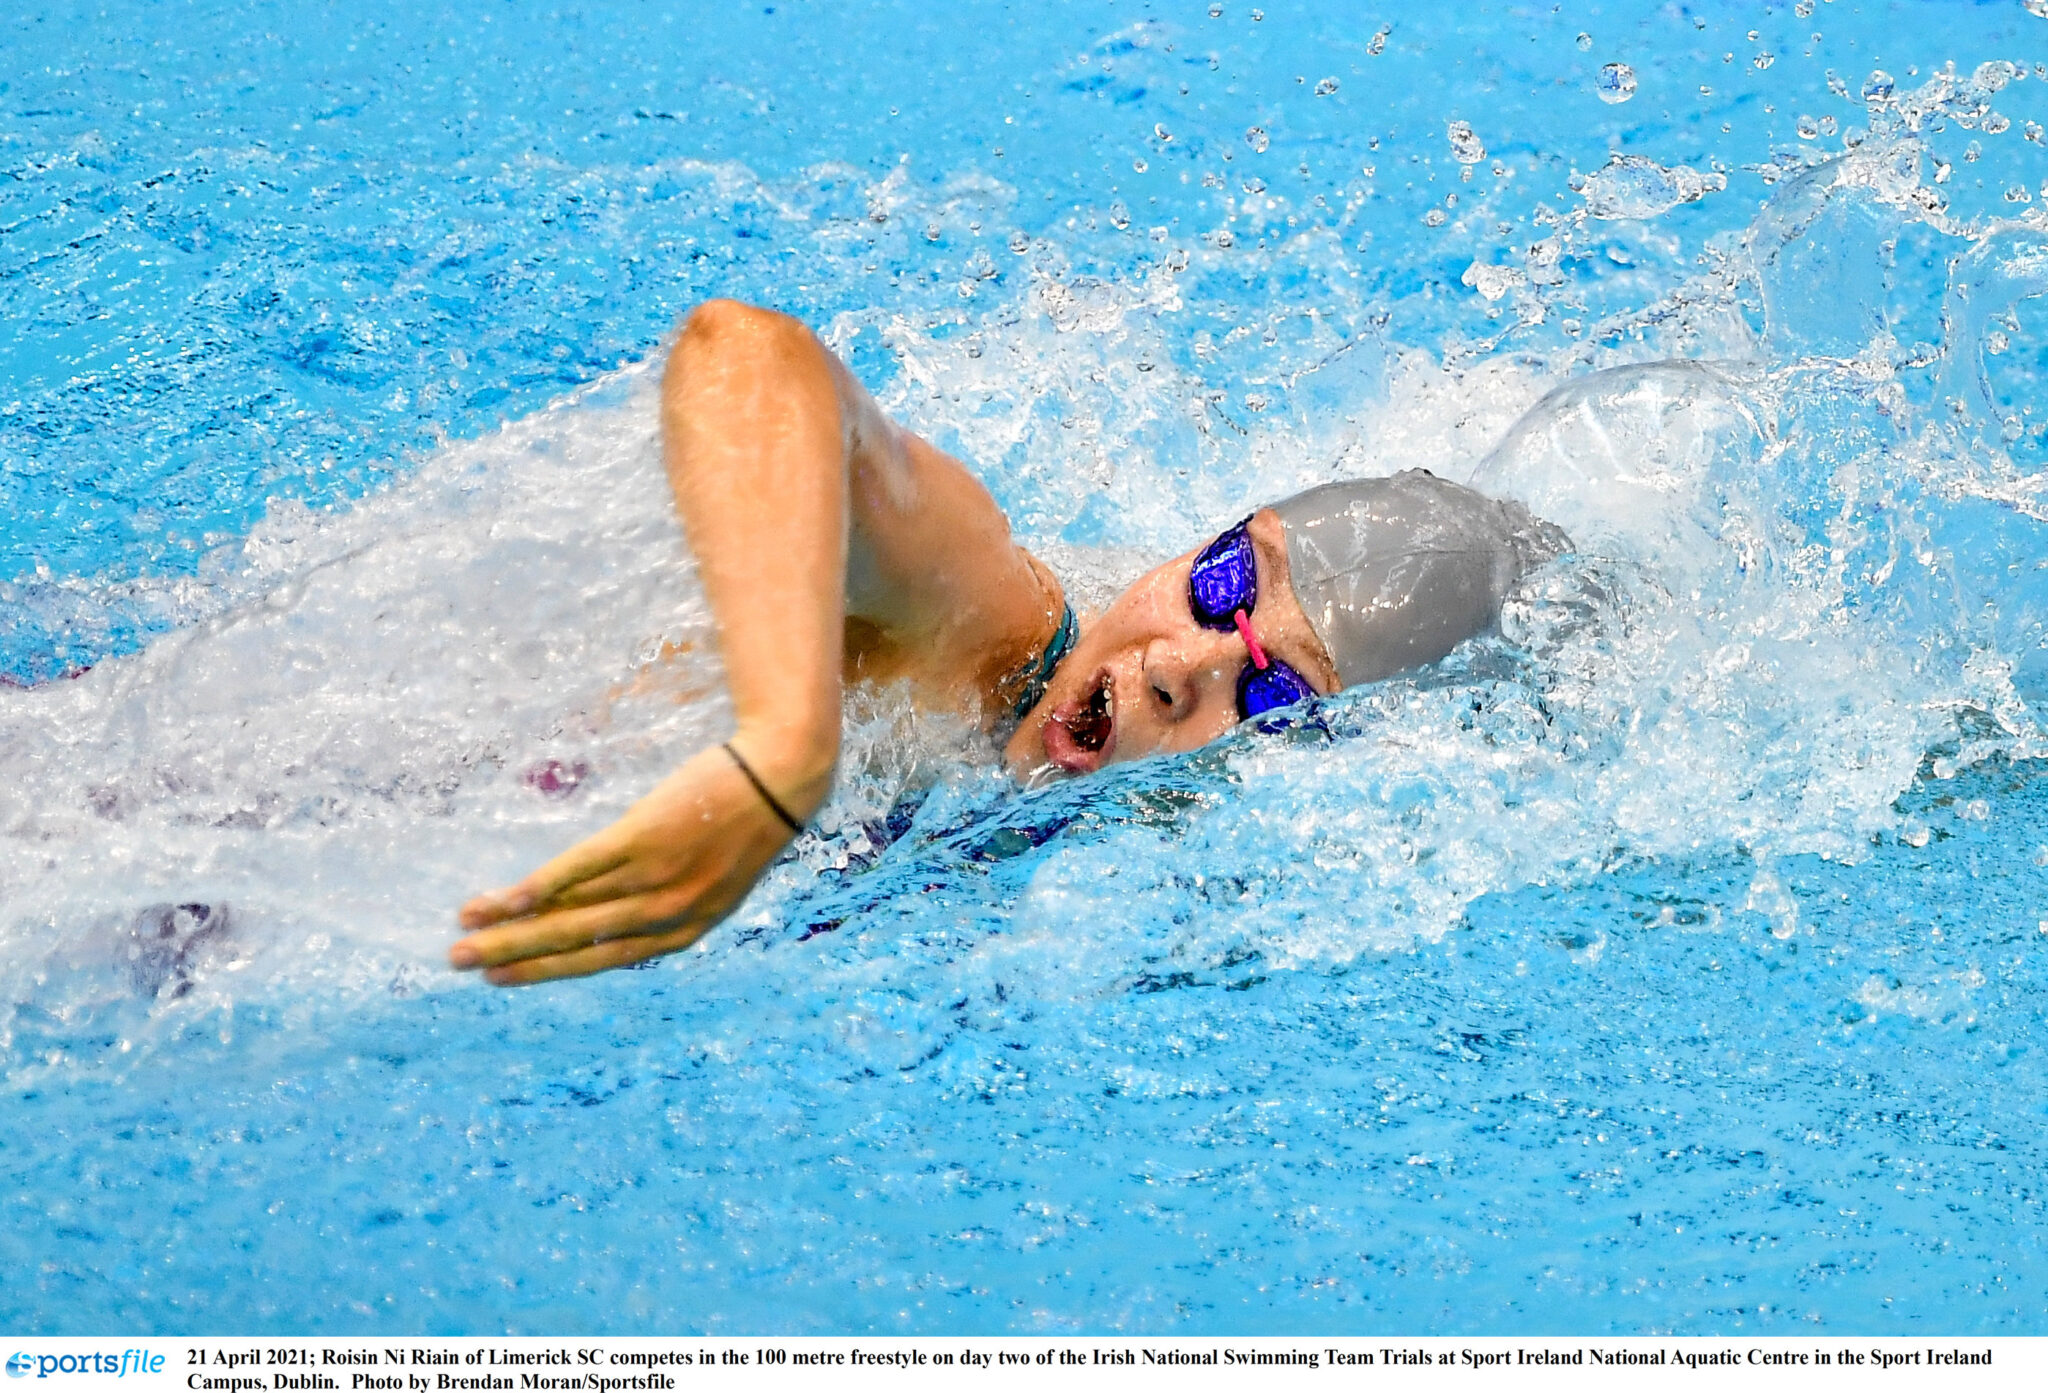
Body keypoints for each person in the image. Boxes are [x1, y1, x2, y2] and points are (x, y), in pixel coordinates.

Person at [450, 300, 1565, 986]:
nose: (1180, 664)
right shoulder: (986, 620)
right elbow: (743, 353)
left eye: (1270, 696)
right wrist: (784, 742)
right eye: (1221, 580)